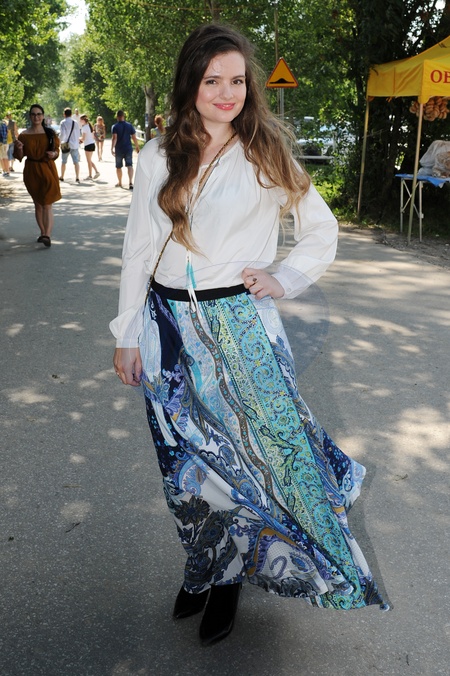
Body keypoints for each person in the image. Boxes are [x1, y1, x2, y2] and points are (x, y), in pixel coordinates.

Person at [110, 24, 388, 647]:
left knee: (255, 461)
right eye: (213, 80)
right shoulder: (157, 155)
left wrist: (283, 278)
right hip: (166, 328)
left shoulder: (265, 151)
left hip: (240, 327)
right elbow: (138, 252)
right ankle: (204, 565)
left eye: (237, 80)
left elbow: (320, 230)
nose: (227, 92)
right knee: (185, 466)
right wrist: (127, 332)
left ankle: (233, 578)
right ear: (190, 83)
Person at [14, 103, 61, 247]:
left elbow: (57, 151)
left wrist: (54, 154)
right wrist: (19, 148)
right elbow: (19, 156)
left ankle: (47, 235)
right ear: (30, 116)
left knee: (47, 203)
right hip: (32, 171)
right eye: (33, 114)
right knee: (38, 204)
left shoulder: (50, 133)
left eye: (39, 114)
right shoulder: (24, 135)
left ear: (43, 116)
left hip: (47, 169)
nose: (36, 117)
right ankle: (42, 232)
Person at [110, 110, 140, 190]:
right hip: (128, 148)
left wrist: (112, 148)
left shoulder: (115, 126)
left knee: (118, 167)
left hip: (119, 149)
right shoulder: (129, 125)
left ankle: (120, 182)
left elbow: (114, 138)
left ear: (117, 117)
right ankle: (130, 182)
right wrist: (137, 146)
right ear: (123, 116)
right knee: (129, 165)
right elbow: (134, 137)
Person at [59, 108, 81, 184]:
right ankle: (77, 177)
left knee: (64, 161)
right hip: (74, 145)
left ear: (64, 114)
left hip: (66, 145)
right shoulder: (75, 123)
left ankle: (62, 176)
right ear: (71, 114)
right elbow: (78, 133)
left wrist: (59, 141)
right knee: (76, 162)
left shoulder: (63, 122)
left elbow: (62, 134)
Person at [79, 114, 100, 180]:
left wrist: (78, 139)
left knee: (88, 161)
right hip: (92, 144)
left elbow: (83, 138)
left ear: (83, 120)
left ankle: (91, 175)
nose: (80, 121)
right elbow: (92, 136)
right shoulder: (89, 126)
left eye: (80, 120)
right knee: (89, 160)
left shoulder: (84, 128)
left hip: (88, 145)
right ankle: (96, 172)